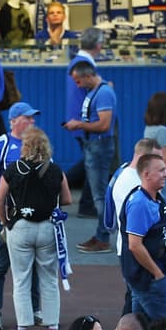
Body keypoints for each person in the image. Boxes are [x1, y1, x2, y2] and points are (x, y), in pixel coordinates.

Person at [0, 126, 69, 330]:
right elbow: (67, 199)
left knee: (21, 278)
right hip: (47, 227)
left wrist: (5, 221)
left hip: (20, 227)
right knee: (49, 278)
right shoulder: (56, 171)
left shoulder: (13, 168)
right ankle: (52, 326)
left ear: (25, 146)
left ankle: (23, 328)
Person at [122, 152, 166, 324]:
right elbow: (135, 245)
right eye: (161, 171)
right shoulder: (140, 203)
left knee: (138, 328)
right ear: (146, 174)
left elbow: (163, 237)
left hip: (145, 276)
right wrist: (158, 274)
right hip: (149, 278)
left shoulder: (157, 199)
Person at [65, 60, 117, 254]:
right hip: (94, 145)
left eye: (79, 81)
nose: (77, 86)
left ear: (88, 76)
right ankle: (102, 234)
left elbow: (104, 125)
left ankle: (104, 237)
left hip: (99, 145)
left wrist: (78, 125)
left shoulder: (102, 93)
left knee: (100, 196)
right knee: (100, 194)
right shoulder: (98, 91)